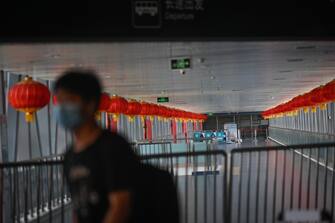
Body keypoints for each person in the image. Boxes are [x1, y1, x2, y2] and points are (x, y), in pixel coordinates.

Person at [55, 69, 179, 223]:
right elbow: (79, 208)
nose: (62, 108)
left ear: (90, 104)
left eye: (69, 101)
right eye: (59, 101)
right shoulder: (70, 156)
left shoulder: (113, 147)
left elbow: (120, 206)